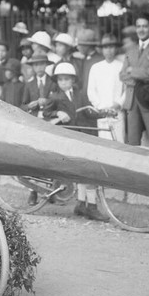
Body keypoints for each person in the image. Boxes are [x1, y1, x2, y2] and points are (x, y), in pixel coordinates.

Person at [44, 62, 108, 222]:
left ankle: (81, 204)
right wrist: (57, 112)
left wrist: (103, 114)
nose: (64, 82)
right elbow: (46, 113)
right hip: (69, 139)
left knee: (83, 169)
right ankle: (91, 207)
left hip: (83, 136)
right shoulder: (55, 97)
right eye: (61, 79)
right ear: (57, 81)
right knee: (88, 170)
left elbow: (88, 111)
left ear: (73, 80)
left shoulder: (80, 94)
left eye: (67, 79)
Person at [120, 12, 149, 153]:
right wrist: (140, 73)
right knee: (132, 143)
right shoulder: (131, 50)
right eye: (139, 26)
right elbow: (122, 75)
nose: (141, 29)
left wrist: (132, 70)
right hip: (132, 100)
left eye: (145, 26)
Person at [87, 35, 125, 142]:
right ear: (102, 50)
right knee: (104, 141)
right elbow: (91, 91)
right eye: (106, 47)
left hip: (117, 112)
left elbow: (127, 89)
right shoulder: (96, 67)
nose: (109, 50)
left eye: (111, 47)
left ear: (116, 48)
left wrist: (119, 103)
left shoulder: (121, 66)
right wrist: (100, 106)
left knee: (119, 140)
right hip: (102, 112)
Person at [21, 53, 56, 117]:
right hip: (34, 117)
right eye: (36, 65)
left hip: (50, 116)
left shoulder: (53, 82)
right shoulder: (29, 85)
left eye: (42, 64)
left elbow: (59, 102)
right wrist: (29, 106)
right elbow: (23, 106)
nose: (39, 67)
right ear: (33, 67)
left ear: (46, 65)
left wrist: (47, 102)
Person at [75, 28, 104, 98]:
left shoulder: (99, 60)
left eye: (80, 45)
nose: (78, 48)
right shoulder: (84, 59)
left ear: (87, 46)